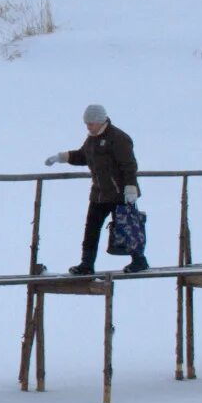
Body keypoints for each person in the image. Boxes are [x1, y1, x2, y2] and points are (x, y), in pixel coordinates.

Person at [45, 104, 146, 275]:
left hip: (120, 193)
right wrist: (61, 157)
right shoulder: (91, 139)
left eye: (91, 123)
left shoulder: (118, 138)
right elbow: (83, 155)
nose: (88, 127)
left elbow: (129, 166)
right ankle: (86, 264)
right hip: (99, 194)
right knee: (91, 228)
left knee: (127, 226)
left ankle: (139, 261)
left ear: (100, 121)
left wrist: (130, 188)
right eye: (86, 124)